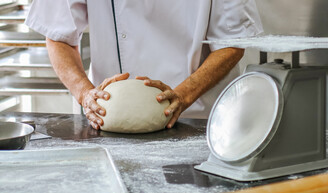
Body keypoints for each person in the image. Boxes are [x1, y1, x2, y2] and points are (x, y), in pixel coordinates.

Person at [25, 0, 263, 130]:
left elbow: (232, 43)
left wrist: (182, 95)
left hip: (199, 121)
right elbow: (58, 36)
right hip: (108, 119)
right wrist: (85, 93)